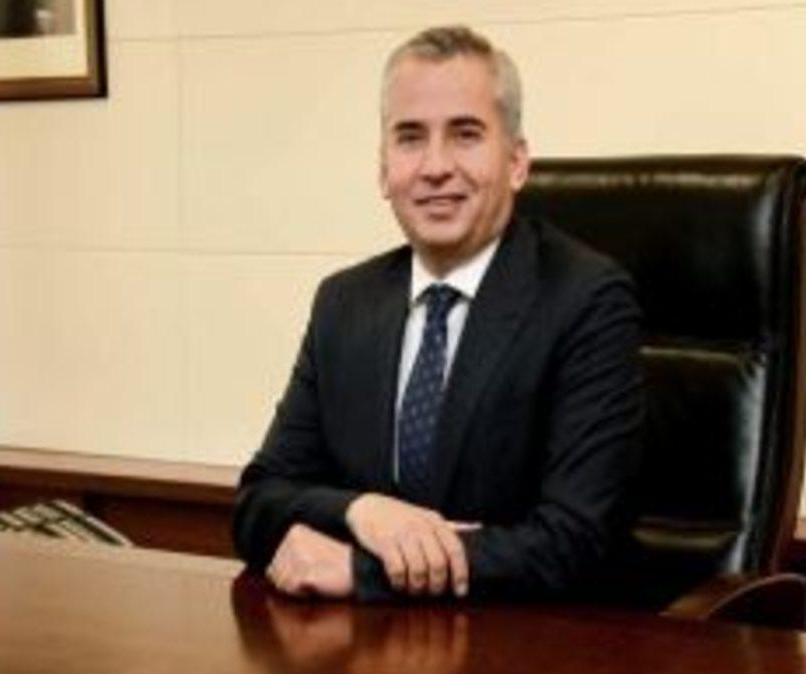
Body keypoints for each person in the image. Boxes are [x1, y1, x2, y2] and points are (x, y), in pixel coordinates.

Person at [232, 25, 643, 601]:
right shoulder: (343, 303)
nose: (434, 166)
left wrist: (365, 572)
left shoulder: (587, 300)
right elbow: (259, 502)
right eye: (409, 138)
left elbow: (573, 542)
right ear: (383, 169)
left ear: (517, 162)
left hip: (523, 640)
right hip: (357, 644)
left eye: (465, 135)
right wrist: (361, 510)